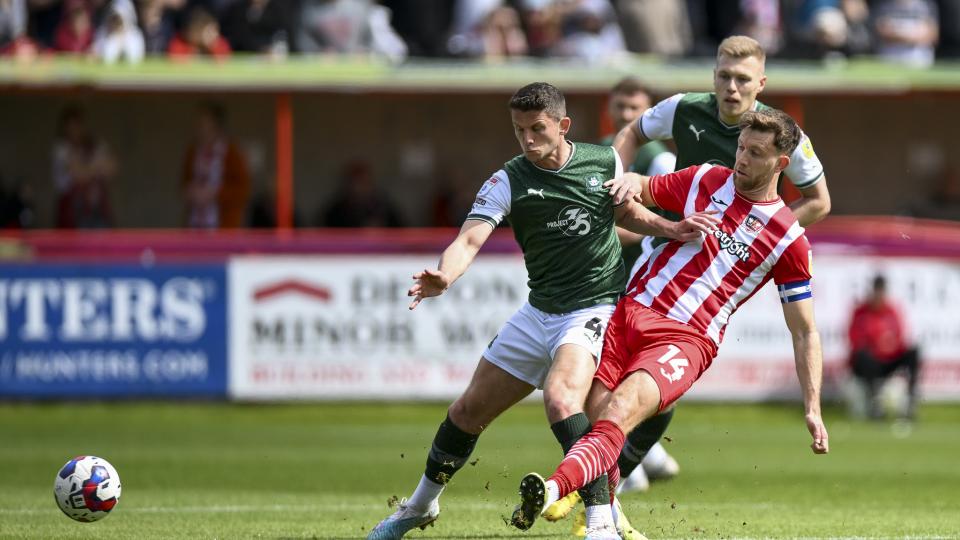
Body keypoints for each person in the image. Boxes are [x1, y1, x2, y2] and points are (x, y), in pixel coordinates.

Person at [366, 82, 716, 540]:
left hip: (593, 307)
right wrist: (445, 275)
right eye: (519, 130)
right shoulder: (508, 180)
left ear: (562, 126)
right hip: (539, 311)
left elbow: (625, 213)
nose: (528, 139)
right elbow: (471, 238)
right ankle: (420, 506)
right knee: (467, 411)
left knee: (561, 398)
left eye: (537, 129)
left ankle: (599, 523)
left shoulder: (603, 161)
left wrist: (671, 228)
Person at [543, 35, 833, 523]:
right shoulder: (699, 161)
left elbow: (819, 207)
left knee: (623, 409)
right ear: (713, 76)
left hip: (690, 329)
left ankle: (560, 486)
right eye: (724, 76)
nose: (732, 87)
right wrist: (617, 180)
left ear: (761, 84)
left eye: (744, 79)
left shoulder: (789, 165)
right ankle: (608, 507)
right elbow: (639, 164)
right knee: (590, 408)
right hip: (649, 276)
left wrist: (762, 239)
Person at [602, 77, 679, 494]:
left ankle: (629, 465)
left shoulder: (660, 159)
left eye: (636, 109)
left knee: (634, 371)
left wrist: (593, 237)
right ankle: (648, 457)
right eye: (621, 107)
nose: (627, 116)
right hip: (605, 279)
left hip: (646, 278)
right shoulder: (602, 151)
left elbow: (655, 226)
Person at [847, 275, 921, 420]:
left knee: (913, 352)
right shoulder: (861, 312)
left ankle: (910, 402)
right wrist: (877, 345)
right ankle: (875, 405)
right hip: (871, 362)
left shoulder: (892, 311)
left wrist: (890, 345)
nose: (879, 295)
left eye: (882, 291)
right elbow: (854, 340)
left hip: (889, 359)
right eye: (877, 290)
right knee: (863, 356)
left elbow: (900, 338)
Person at [181, 102, 251, 228]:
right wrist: (191, 192)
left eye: (204, 123)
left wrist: (214, 194)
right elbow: (184, 182)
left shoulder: (231, 153)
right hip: (195, 224)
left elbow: (243, 191)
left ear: (216, 125)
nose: (199, 128)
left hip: (222, 226)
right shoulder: (193, 152)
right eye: (198, 123)